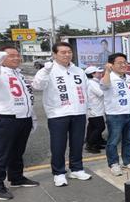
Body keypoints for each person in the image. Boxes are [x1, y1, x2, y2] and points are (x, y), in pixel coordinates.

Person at [32, 42, 92, 187]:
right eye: (63, 52)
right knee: (58, 145)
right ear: (54, 54)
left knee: (77, 143)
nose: (67, 55)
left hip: (78, 112)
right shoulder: (48, 70)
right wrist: (45, 71)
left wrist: (88, 109)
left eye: (69, 52)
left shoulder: (78, 70)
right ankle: (59, 173)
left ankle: (76, 169)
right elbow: (37, 86)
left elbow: (86, 89)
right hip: (58, 113)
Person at [0, 46, 38, 200]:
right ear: (2, 57)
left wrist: (32, 116)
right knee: (2, 154)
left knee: (18, 152)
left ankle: (16, 178)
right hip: (7, 118)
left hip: (24, 117)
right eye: (11, 56)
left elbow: (27, 96)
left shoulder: (19, 74)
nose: (16, 58)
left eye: (17, 55)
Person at [101, 53, 130, 176]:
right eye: (119, 63)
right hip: (115, 115)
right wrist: (107, 71)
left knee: (129, 140)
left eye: (125, 62)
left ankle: (128, 161)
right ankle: (113, 164)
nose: (123, 65)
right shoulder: (108, 77)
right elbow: (105, 85)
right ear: (111, 65)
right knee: (113, 141)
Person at [84, 66, 106, 154]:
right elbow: (101, 93)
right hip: (94, 109)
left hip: (96, 108)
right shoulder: (92, 83)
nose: (101, 74)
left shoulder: (94, 82)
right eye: (99, 73)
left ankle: (96, 142)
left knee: (92, 127)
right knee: (100, 127)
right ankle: (90, 145)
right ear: (92, 74)